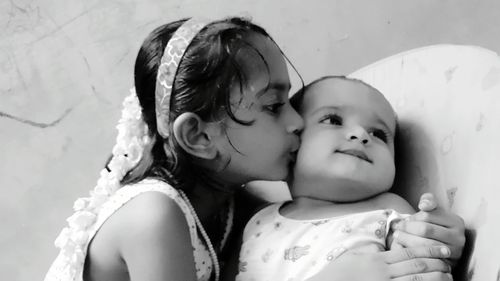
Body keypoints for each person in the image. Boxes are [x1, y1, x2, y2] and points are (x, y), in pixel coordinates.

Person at [44, 17, 463, 281]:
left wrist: (435, 236)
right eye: (274, 106)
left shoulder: (236, 210)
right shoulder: (153, 216)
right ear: (198, 137)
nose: (297, 121)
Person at [236, 76, 465, 281]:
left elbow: (422, 262)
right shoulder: (258, 220)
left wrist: (438, 238)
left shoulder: (388, 210)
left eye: (379, 134)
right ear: (292, 140)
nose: (362, 135)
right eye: (333, 120)